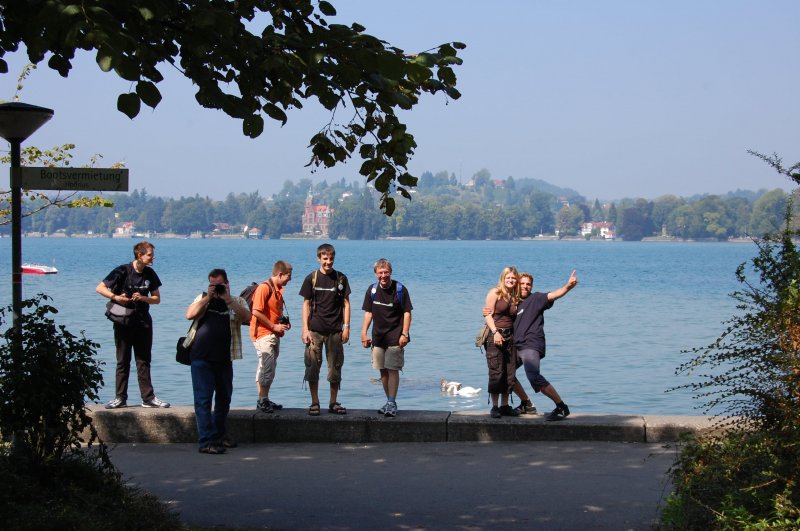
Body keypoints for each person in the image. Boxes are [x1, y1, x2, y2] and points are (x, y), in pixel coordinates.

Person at [96, 240, 169, 409]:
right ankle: (120, 397)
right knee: (123, 360)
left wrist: (144, 298)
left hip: (143, 322)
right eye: (150, 254)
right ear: (139, 255)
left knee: (143, 360)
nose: (153, 257)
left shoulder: (150, 273)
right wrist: (116, 297)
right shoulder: (122, 271)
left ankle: (148, 398)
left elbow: (157, 299)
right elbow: (100, 288)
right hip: (124, 321)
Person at [185, 269, 251, 454]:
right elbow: (189, 314)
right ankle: (206, 441)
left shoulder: (236, 301)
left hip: (224, 358)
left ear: (227, 283)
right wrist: (208, 298)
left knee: (224, 398)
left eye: (220, 284)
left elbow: (247, 317)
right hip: (201, 357)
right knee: (203, 400)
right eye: (213, 285)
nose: (216, 288)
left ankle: (220, 435)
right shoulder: (202, 297)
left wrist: (227, 299)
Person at [514, 270, 578, 421]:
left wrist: (568, 287)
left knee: (534, 377)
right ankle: (526, 404)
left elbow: (554, 295)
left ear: (532, 286)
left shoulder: (536, 298)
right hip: (516, 346)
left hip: (531, 345)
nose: (525, 286)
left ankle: (561, 406)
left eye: (528, 284)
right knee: (504, 374)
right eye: (522, 284)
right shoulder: (513, 302)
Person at [299, 243, 351, 416]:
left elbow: (346, 303)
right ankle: (315, 402)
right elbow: (306, 304)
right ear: (319, 258)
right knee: (313, 367)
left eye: (331, 258)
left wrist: (347, 327)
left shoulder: (341, 278)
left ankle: (333, 402)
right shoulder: (311, 278)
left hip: (335, 331)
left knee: (335, 368)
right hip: (315, 330)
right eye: (325, 258)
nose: (328, 262)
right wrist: (304, 329)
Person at [360, 258, 413, 418]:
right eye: (380, 272)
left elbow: (407, 312)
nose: (383, 275)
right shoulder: (372, 290)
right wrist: (364, 332)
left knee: (392, 369)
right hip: (378, 337)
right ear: (375, 274)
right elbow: (368, 313)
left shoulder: (400, 289)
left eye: (386, 272)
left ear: (390, 272)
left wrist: (405, 333)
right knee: (382, 370)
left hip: (395, 337)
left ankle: (391, 401)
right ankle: (389, 402)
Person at [250, 261, 293, 413]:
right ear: (280, 274)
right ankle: (263, 400)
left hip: (273, 333)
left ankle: (263, 399)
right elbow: (256, 311)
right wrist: (273, 326)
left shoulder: (277, 290)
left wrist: (281, 323)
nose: (290, 279)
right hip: (263, 333)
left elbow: (273, 312)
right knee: (267, 367)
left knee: (267, 367)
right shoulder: (264, 288)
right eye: (289, 276)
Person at [482, 266, 522, 418]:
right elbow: (487, 314)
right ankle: (494, 406)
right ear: (503, 279)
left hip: (510, 337)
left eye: (513, 278)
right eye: (508, 278)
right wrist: (495, 332)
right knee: (496, 371)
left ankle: (505, 405)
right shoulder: (495, 292)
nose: (511, 280)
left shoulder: (515, 295)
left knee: (509, 372)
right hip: (495, 336)